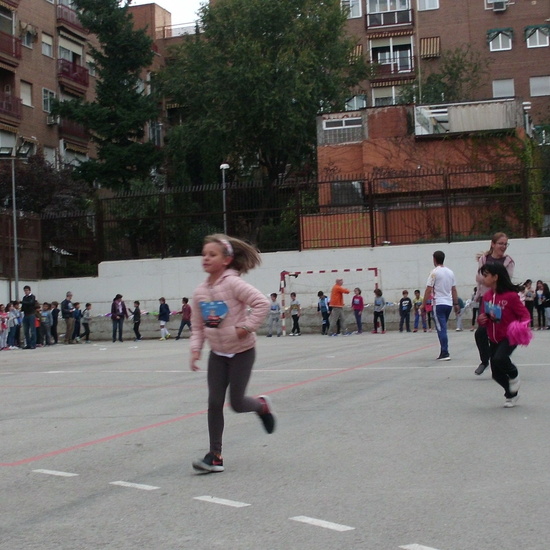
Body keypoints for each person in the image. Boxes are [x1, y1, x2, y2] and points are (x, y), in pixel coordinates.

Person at [189, 233, 273, 474]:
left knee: (236, 403)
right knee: (214, 402)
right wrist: (195, 349)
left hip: (242, 352)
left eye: (212, 254)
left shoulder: (234, 283)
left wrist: (246, 327)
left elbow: (262, 303)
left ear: (226, 260)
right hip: (217, 354)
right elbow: (197, 326)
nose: (206, 258)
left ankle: (261, 406)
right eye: (204, 254)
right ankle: (215, 455)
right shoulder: (199, 292)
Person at [477, 262, 530, 408]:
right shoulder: (487, 296)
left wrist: (520, 327)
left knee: (500, 358)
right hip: (493, 337)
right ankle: (511, 394)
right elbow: (485, 316)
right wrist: (482, 319)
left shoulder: (511, 296)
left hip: (509, 336)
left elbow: (525, 315)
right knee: (496, 374)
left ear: (495, 277)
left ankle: (514, 374)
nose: (483, 278)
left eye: (486, 275)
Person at [474, 233, 515, 375]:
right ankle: (485, 361)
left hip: (500, 302)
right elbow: (478, 277)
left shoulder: (508, 261)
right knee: (481, 332)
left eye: (505, 244)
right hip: (485, 301)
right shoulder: (484, 259)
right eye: (500, 243)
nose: (503, 247)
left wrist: (486, 280)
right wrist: (489, 281)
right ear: (493, 244)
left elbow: (505, 281)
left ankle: (499, 363)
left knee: (496, 334)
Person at [424, 250, 460, 361]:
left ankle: (445, 352)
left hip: (438, 303)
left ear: (434, 259)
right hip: (448, 303)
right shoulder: (450, 272)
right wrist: (456, 303)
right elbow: (453, 289)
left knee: (441, 329)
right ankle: (443, 351)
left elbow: (428, 289)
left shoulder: (434, 272)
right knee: (442, 327)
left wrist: (423, 304)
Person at [21, 285, 37, 349]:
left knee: (33, 330)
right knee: (26, 331)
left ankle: (33, 344)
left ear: (29, 290)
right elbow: (24, 306)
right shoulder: (24, 297)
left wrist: (22, 302)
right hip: (26, 314)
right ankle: (28, 344)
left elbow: (30, 303)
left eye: (27, 290)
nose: (26, 292)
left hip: (31, 314)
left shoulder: (32, 297)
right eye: (25, 290)